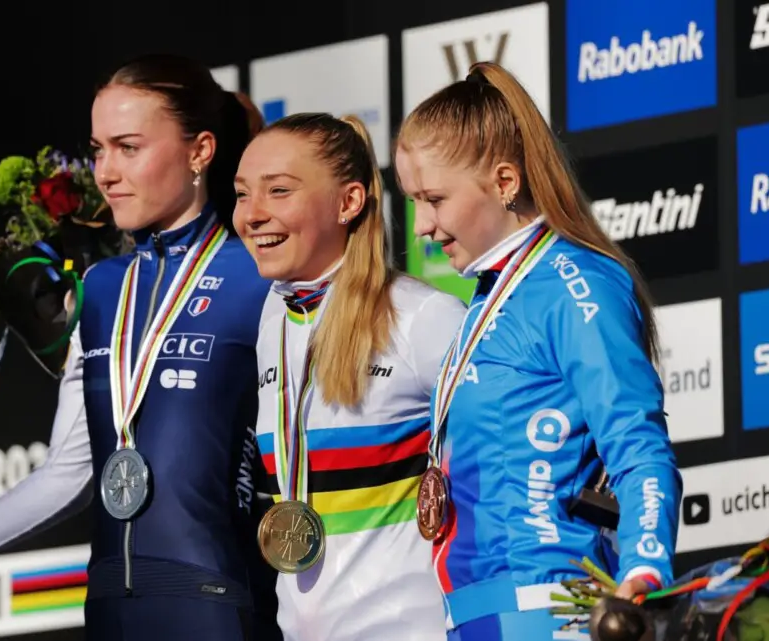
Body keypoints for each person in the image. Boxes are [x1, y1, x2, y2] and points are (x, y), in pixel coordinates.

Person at [0, 53, 282, 641]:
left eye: (128, 147)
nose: (106, 172)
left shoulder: (261, 277)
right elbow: (69, 472)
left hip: (222, 607)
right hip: (112, 609)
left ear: (200, 151)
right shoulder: (103, 289)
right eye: (97, 149)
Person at [392, 61, 683, 640]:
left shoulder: (576, 281)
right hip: (474, 616)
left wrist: (645, 569)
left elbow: (638, 441)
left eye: (435, 199)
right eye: (414, 200)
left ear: (505, 182)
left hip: (549, 611)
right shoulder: (488, 295)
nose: (421, 224)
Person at [233, 111, 466, 641]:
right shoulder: (273, 319)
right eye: (243, 194)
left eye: (278, 191)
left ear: (349, 202)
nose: (252, 215)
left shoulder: (422, 317)